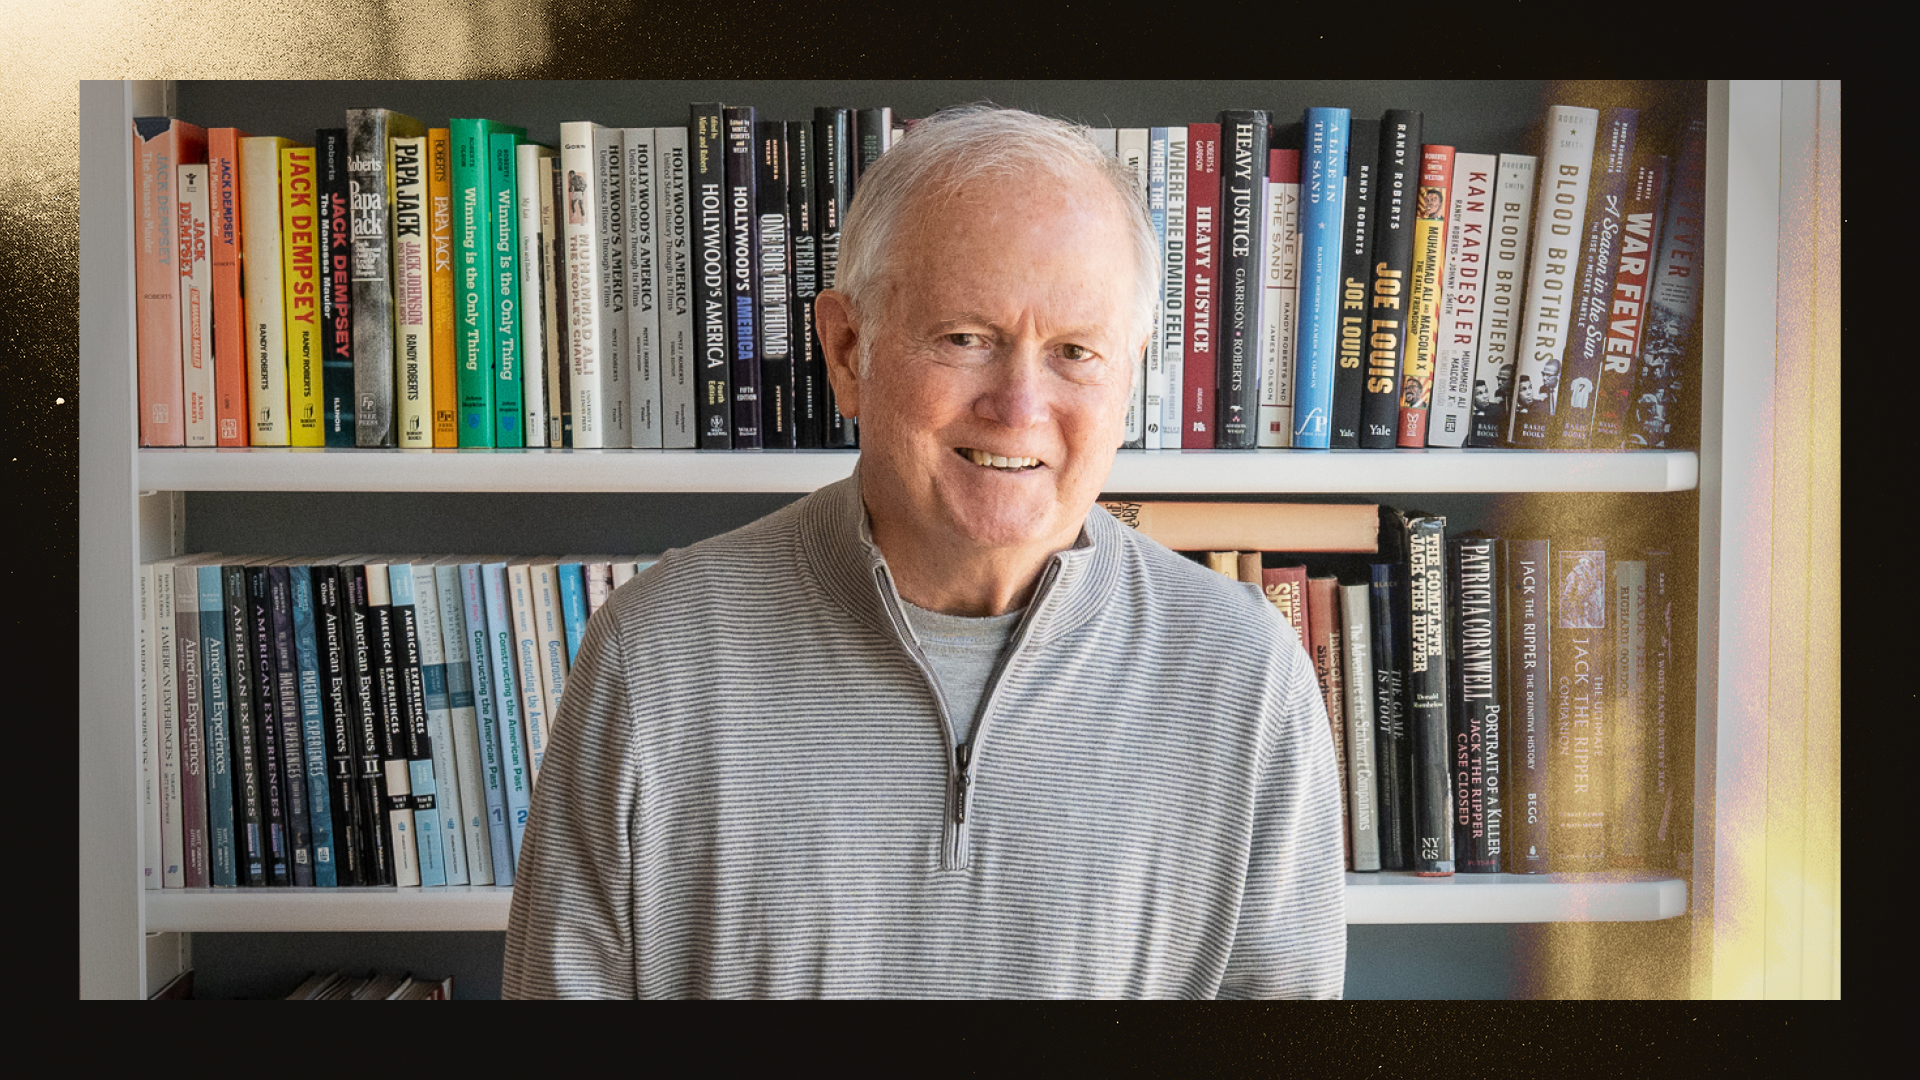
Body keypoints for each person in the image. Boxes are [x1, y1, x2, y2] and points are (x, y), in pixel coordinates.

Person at [502, 106, 1347, 999]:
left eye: (1075, 353)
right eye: (965, 338)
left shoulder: (1246, 678)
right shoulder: (655, 656)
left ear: (1132, 375)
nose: (1019, 407)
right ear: (846, 350)